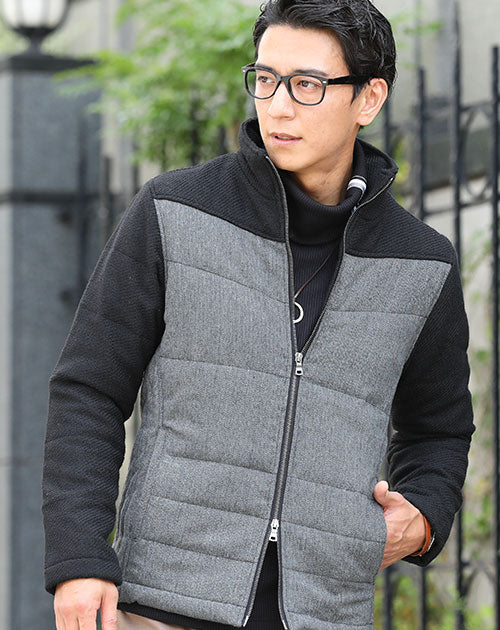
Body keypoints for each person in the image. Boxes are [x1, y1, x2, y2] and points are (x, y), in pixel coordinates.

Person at [42, 1, 475, 629]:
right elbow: (89, 390)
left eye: (307, 85)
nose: (278, 106)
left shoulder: (421, 263)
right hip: (165, 601)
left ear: (369, 98)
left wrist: (425, 513)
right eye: (266, 79)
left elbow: (440, 428)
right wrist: (80, 559)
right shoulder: (175, 212)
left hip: (324, 611)